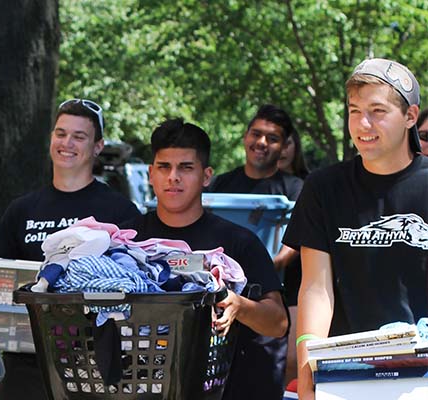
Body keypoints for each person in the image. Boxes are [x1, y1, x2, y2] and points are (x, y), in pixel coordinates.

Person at [283, 58, 427, 400]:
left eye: (378, 111)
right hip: (346, 373)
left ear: (410, 116)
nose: (363, 123)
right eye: (353, 110)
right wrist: (308, 370)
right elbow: (316, 290)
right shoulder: (323, 187)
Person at [121, 118, 288, 400]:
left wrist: (240, 305)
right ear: (150, 174)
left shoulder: (239, 242)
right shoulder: (125, 241)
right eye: (164, 167)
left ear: (206, 176)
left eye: (186, 167)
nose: (173, 177)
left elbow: (279, 323)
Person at [0, 98, 141, 399]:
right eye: (60, 133)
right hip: (25, 362)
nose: (67, 143)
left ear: (97, 146)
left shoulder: (119, 211)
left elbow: (135, 288)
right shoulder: (21, 210)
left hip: (92, 366)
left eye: (79, 136)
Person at [208, 104, 303, 387]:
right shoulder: (221, 184)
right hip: (224, 296)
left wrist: (271, 263)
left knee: (279, 374)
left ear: (285, 146)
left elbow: (300, 236)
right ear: (245, 136)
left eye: (272, 138)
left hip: (282, 297)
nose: (262, 143)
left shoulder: (296, 188)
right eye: (256, 134)